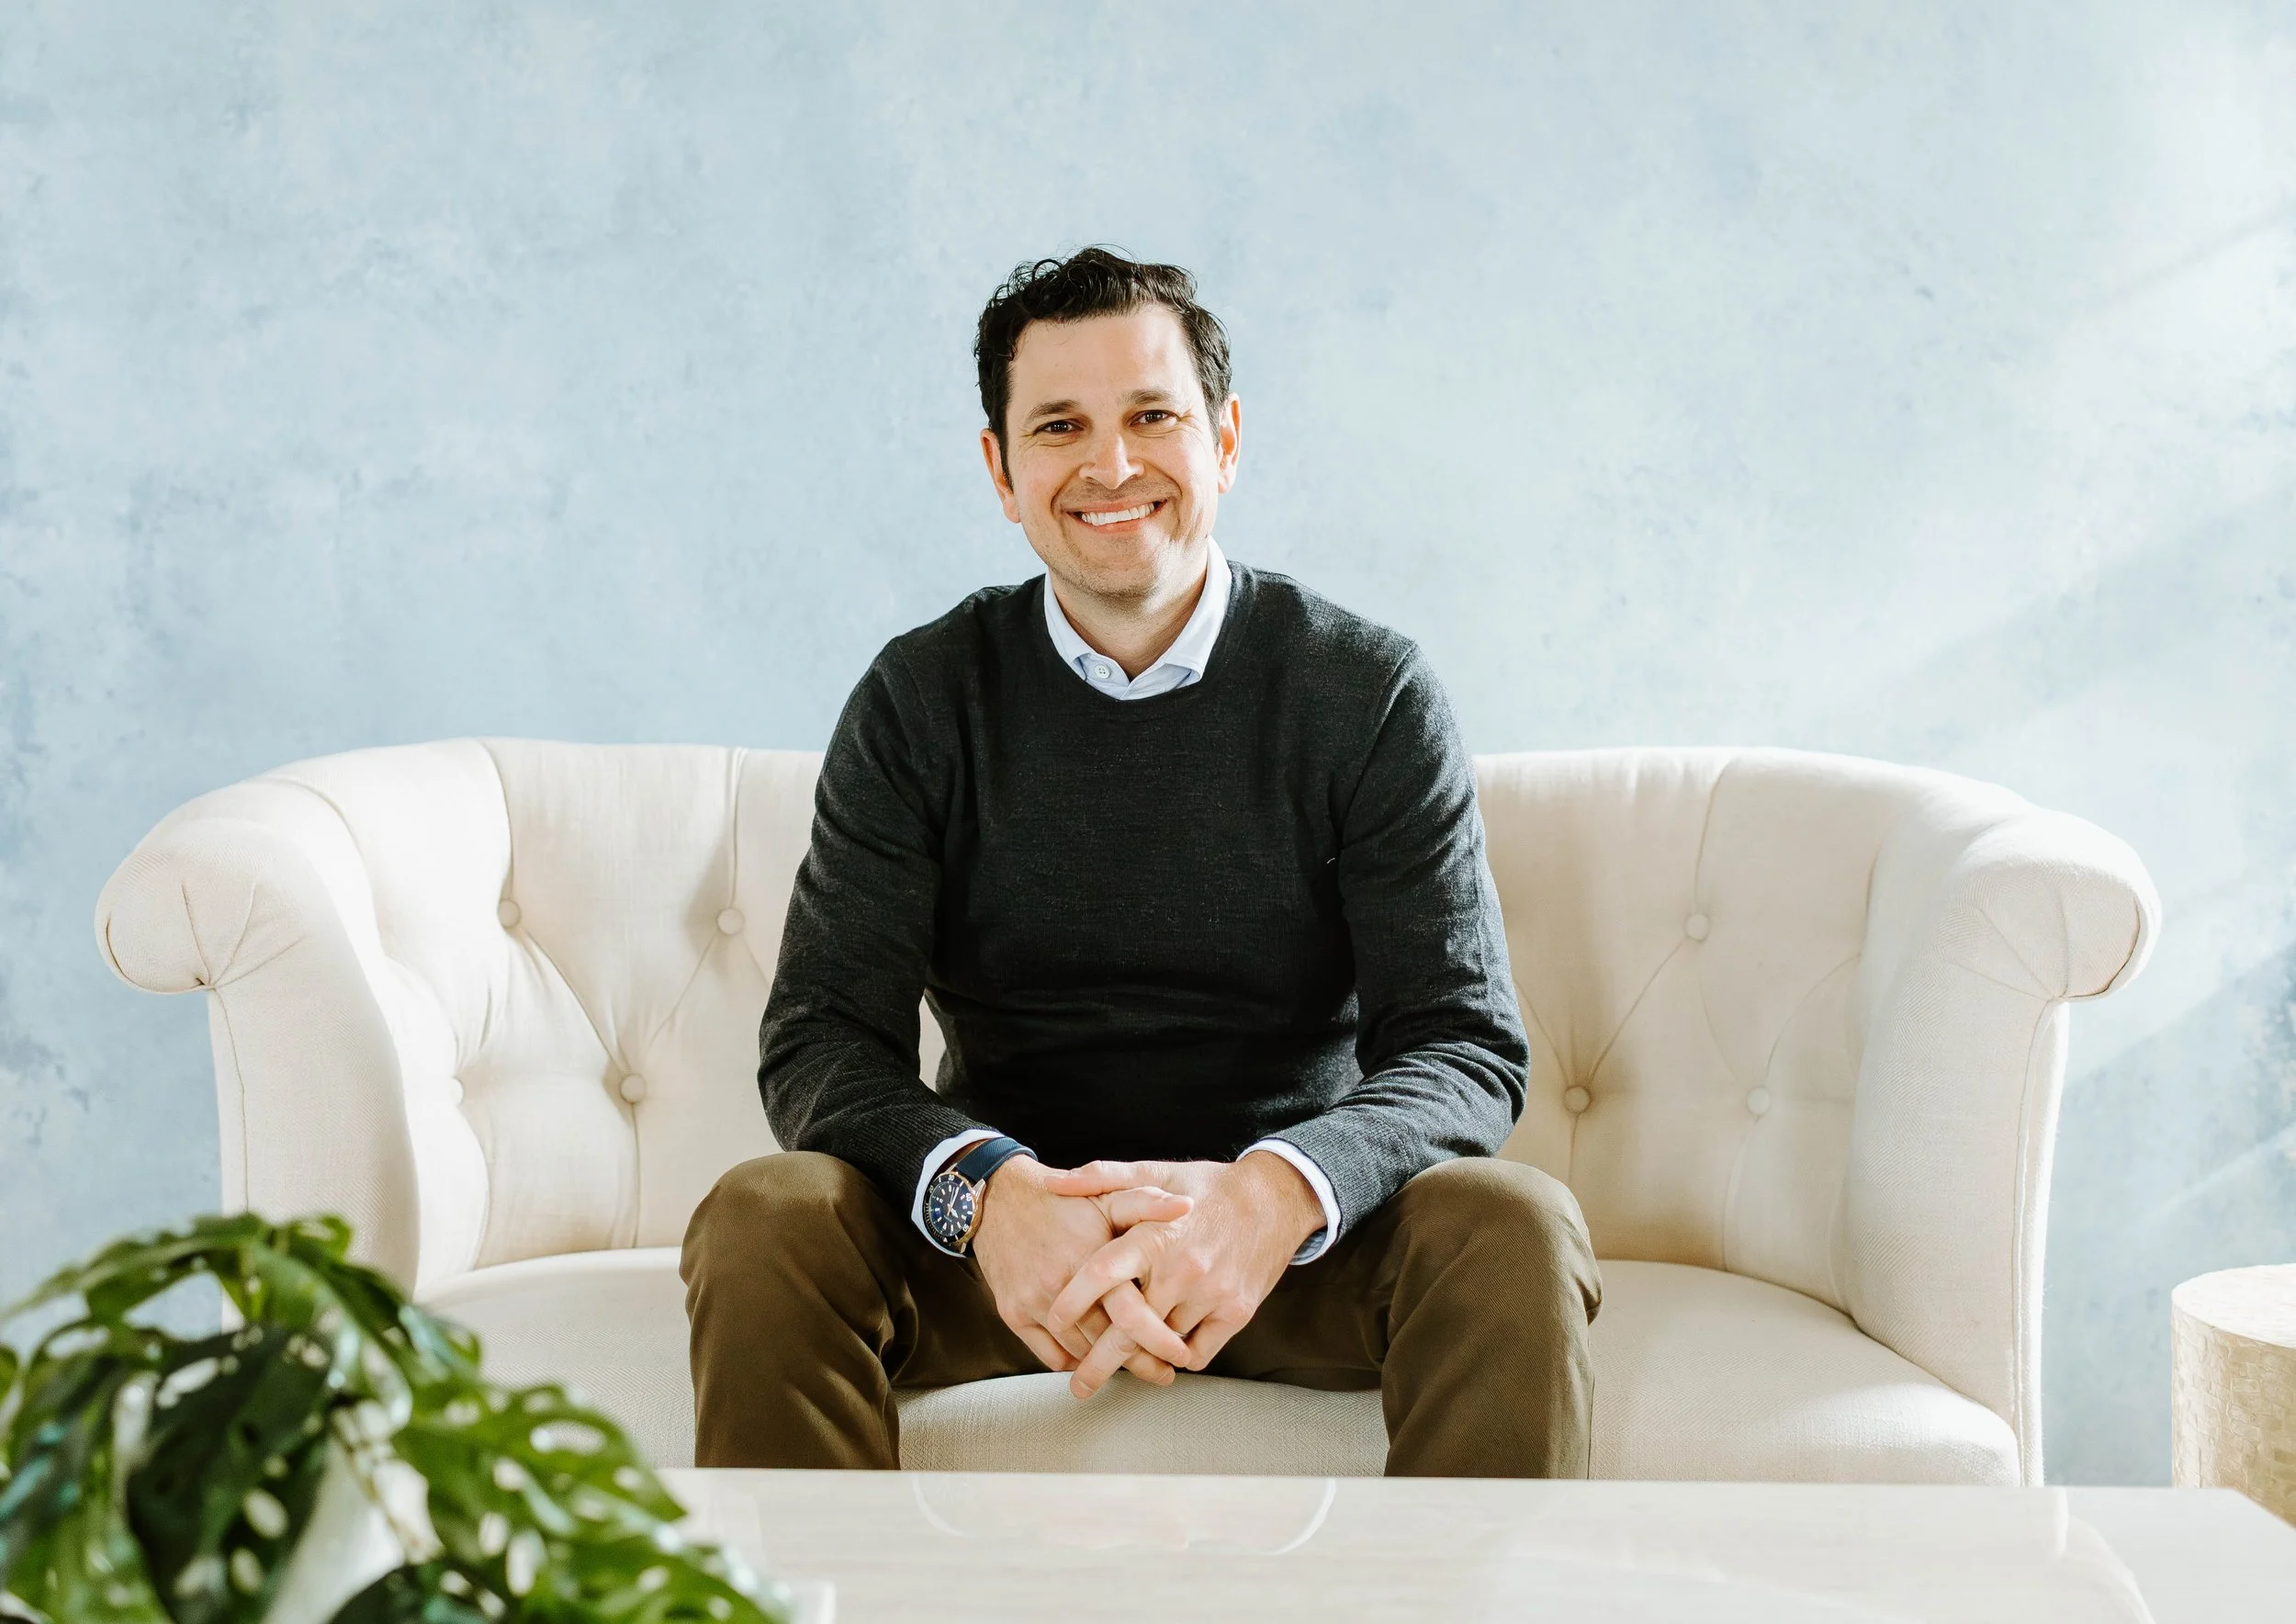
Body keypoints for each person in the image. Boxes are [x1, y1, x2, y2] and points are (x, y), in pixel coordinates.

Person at [681, 247, 1601, 1475]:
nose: (1111, 466)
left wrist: (1270, 1198)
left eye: (1152, 416)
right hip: (1010, 1254)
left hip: (1292, 1249)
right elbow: (821, 1041)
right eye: (1059, 426)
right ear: (1002, 472)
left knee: (1514, 1224)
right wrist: (992, 1196)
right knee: (764, 1216)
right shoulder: (921, 697)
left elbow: (1462, 1046)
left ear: (1225, 440)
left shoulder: (1365, 691)